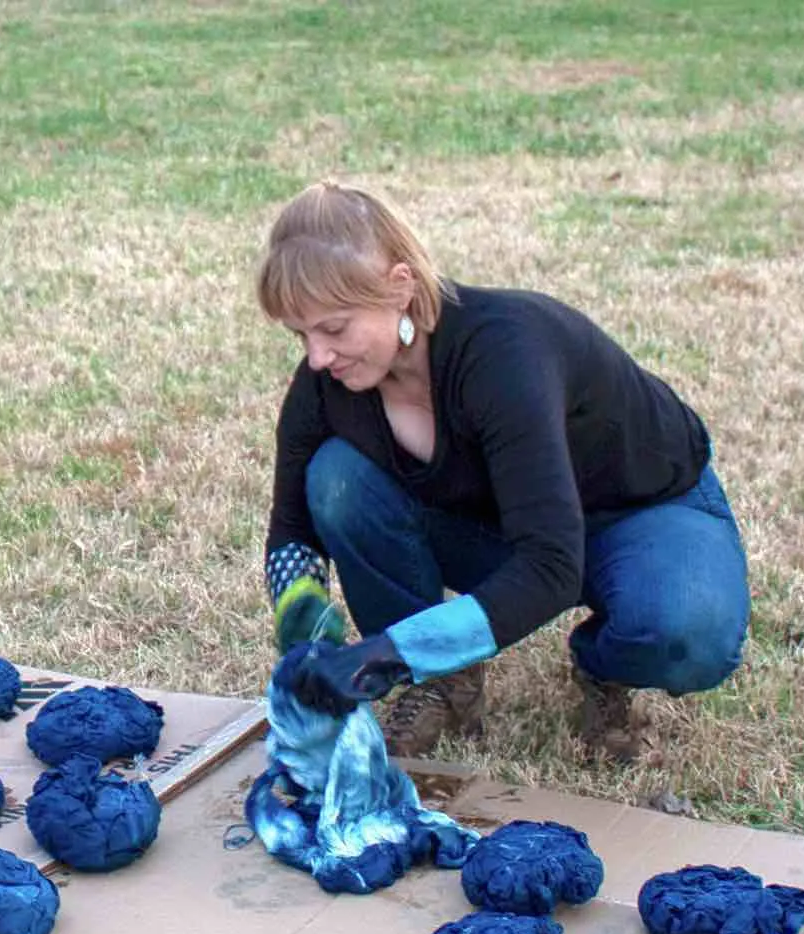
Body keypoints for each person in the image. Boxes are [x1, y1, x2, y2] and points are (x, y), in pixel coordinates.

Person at [257, 180, 750, 761]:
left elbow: (551, 568)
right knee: (337, 478)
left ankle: (602, 664)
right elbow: (291, 528)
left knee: (688, 632)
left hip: (641, 513)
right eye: (301, 333)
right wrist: (304, 626)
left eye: (335, 329)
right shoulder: (325, 386)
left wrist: (388, 652)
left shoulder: (504, 355)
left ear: (400, 287)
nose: (316, 357)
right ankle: (444, 680)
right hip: (506, 527)